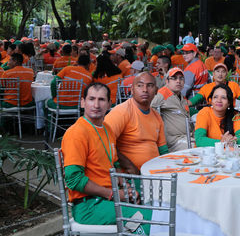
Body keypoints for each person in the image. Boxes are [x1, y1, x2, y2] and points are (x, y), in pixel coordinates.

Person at [61, 83, 150, 233]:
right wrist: (113, 194)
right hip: (89, 206)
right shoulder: (76, 132)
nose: (96, 105)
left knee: (151, 196)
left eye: (102, 99)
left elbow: (113, 163)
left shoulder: (107, 129)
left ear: (109, 104)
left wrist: (127, 187)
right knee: (148, 216)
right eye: (91, 99)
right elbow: (74, 179)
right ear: (83, 102)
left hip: (107, 197)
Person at [104, 72, 167, 174]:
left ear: (156, 91)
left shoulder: (157, 117)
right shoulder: (121, 112)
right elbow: (104, 142)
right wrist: (129, 167)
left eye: (149, 86)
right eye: (140, 85)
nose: (145, 90)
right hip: (132, 176)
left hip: (155, 173)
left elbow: (163, 149)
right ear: (132, 90)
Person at [151, 67, 193, 152]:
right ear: (167, 81)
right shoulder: (162, 93)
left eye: (181, 78)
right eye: (174, 78)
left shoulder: (181, 96)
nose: (178, 81)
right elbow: (149, 107)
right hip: (175, 140)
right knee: (197, 149)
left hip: (188, 136)